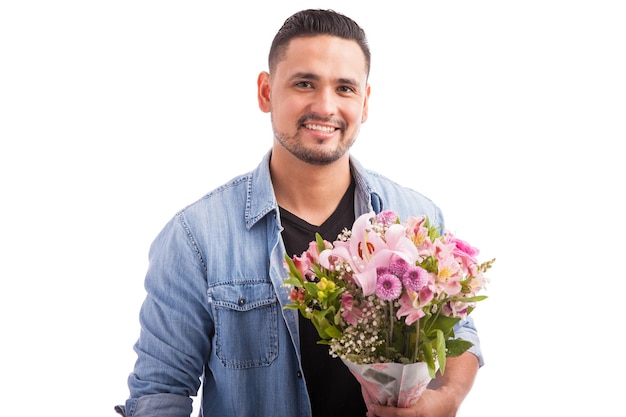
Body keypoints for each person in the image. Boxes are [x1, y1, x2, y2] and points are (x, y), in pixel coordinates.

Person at [116, 8, 483, 417]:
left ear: (364, 103)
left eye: (345, 88)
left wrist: (447, 400)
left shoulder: (417, 217)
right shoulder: (195, 237)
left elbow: (460, 335)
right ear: (266, 92)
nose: (325, 106)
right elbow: (160, 393)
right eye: (304, 83)